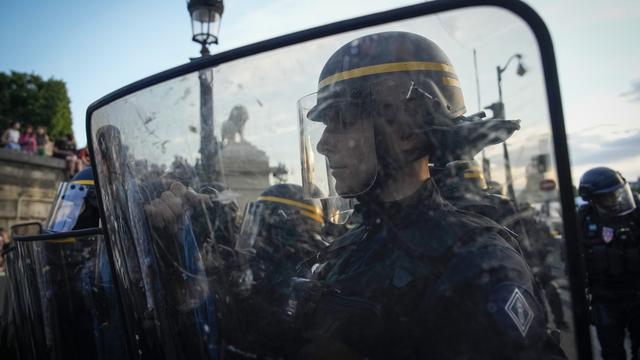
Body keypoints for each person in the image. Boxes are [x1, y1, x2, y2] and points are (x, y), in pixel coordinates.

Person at [292, 31, 566, 359]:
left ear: (406, 132)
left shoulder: (477, 263)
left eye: (342, 121)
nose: (322, 144)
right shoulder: (351, 246)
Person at [232, 184, 329, 356]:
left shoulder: (302, 283)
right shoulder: (262, 272)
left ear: (284, 230)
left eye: (262, 228)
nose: (255, 238)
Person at [578, 166, 640, 360]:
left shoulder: (635, 214)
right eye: (608, 196)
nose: (614, 199)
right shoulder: (584, 220)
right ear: (593, 199)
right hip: (605, 301)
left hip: (637, 296)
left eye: (617, 193)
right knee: (612, 353)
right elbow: (574, 261)